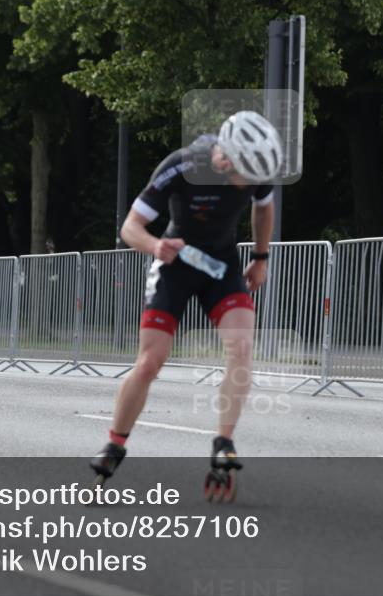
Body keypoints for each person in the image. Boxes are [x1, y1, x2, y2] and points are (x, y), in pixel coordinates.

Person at [90, 110, 283, 485]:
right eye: (246, 176)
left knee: (242, 347)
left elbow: (264, 208)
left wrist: (261, 258)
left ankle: (224, 442)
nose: (250, 184)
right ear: (225, 157)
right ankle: (114, 444)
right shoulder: (181, 166)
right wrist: (155, 245)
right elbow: (130, 227)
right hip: (174, 262)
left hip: (221, 265)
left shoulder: (258, 167)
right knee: (150, 361)